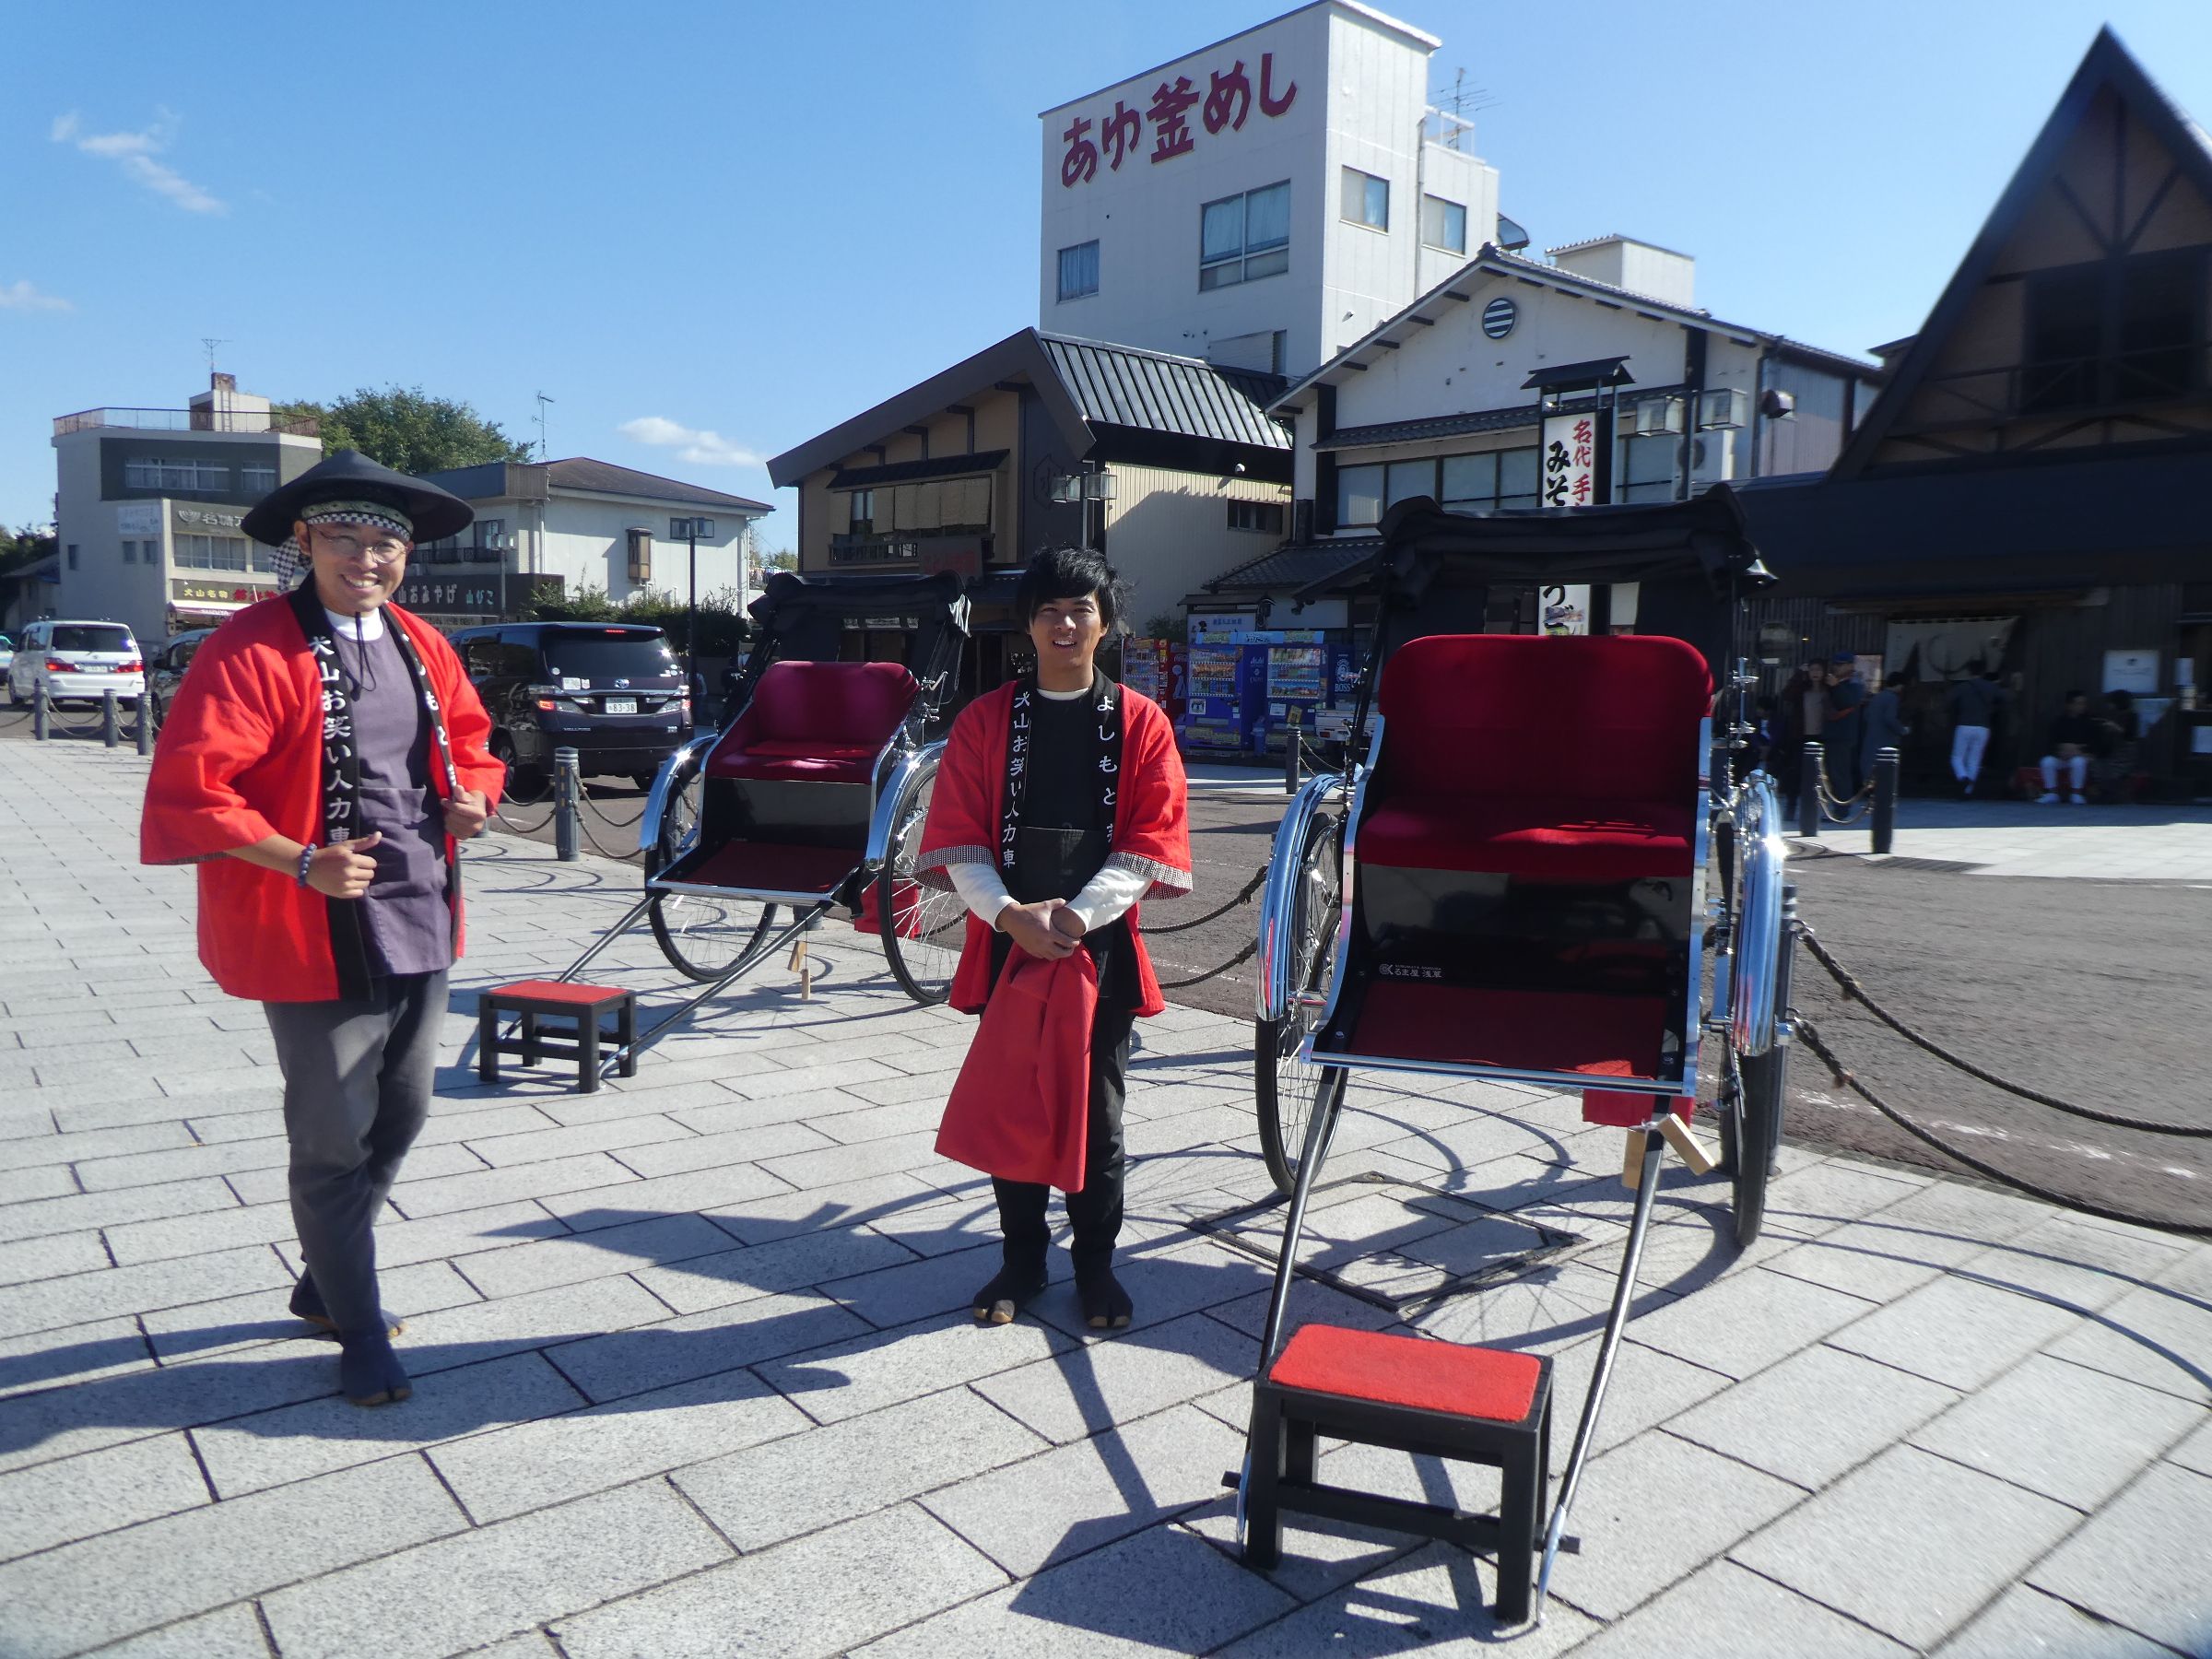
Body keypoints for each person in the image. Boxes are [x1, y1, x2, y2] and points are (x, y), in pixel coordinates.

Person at [140, 451, 504, 1407]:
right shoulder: (247, 648)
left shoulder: (425, 644)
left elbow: (472, 748)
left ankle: (321, 1276)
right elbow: (194, 791)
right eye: (345, 538)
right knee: (331, 1136)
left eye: (385, 542)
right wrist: (301, 859)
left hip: (420, 903)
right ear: (303, 543)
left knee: (406, 1110)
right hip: (307, 920)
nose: (368, 557)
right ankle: (357, 1325)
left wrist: (477, 801)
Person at [916, 547, 1191, 1332]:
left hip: (1095, 946)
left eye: (1080, 610)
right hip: (1009, 941)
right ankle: (1023, 1259)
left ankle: (1096, 1266)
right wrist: (1010, 916)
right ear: (1026, 624)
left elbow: (1149, 840)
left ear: (1106, 624)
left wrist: (1071, 918)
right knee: (1015, 1106)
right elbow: (962, 836)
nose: (1064, 624)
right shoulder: (985, 721)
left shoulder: (1141, 722)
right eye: (1048, 611)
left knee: (1099, 1115)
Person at [1947, 663, 2005, 796]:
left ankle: (1963, 778)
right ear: (1984, 672)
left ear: (1968, 671)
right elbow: (2006, 698)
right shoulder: (1991, 687)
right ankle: (1968, 791)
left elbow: (1948, 700)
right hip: (1983, 727)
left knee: (1957, 757)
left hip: (1964, 725)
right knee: (1974, 760)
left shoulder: (1962, 687)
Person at [2040, 688, 2100, 804]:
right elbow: (2050, 742)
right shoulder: (2059, 721)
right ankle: (2052, 793)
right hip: (2062, 757)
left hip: (2080, 756)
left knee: (2078, 762)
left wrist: (2079, 750)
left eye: (2083, 703)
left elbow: (2095, 743)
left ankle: (2076, 794)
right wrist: (2060, 750)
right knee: (2047, 761)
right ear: (2069, 705)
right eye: (2078, 703)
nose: (2082, 706)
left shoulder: (2089, 722)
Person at [1824, 653, 1867, 799]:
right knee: (1831, 773)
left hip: (1843, 736)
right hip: (1834, 734)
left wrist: (1835, 687)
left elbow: (1848, 703)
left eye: (1840, 664)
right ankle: (1837, 805)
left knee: (1840, 774)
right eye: (1835, 664)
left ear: (1850, 666)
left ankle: (1842, 808)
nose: (1837, 667)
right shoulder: (1838, 683)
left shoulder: (1855, 683)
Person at [1860, 671, 1910, 784]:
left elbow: (1866, 716)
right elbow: (1890, 718)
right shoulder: (1893, 698)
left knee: (1869, 765)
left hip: (1870, 738)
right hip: (1885, 739)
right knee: (1884, 770)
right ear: (1899, 685)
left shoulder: (1876, 697)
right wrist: (1902, 730)